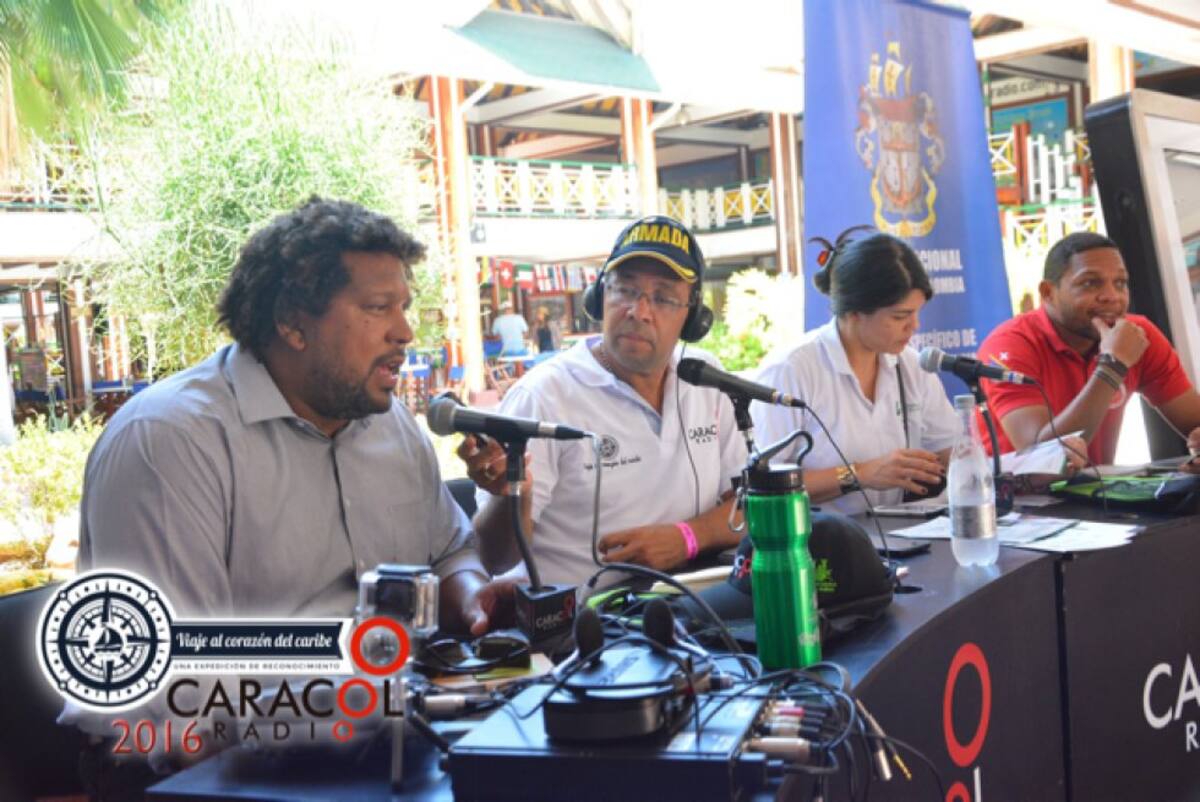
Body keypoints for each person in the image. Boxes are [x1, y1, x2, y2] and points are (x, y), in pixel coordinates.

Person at [76, 197, 513, 630]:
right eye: (378, 308)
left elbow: (450, 553)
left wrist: (475, 599)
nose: (404, 332)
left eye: (404, 308)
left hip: (401, 695)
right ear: (291, 324)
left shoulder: (390, 422)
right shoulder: (171, 441)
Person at [457, 215, 746, 588]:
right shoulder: (543, 397)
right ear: (599, 297)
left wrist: (686, 538)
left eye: (662, 298)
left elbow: (749, 509)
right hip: (586, 631)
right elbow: (493, 558)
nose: (639, 311)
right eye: (625, 290)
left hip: (692, 608)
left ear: (693, 318)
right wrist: (514, 495)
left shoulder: (706, 379)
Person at [751, 229, 957, 515]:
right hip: (817, 547)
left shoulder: (913, 366)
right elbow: (760, 487)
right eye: (900, 316)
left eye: (916, 313)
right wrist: (858, 474)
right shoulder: (791, 371)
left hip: (900, 538)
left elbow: (950, 450)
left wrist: (967, 462)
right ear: (854, 312)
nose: (915, 326)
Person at [977, 231, 1200, 465]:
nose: (1111, 296)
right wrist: (1113, 366)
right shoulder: (1010, 344)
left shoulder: (1136, 335)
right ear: (1048, 293)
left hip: (1098, 491)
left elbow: (1194, 422)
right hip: (1018, 497)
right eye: (1090, 283)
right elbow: (1044, 457)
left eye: (1120, 283)